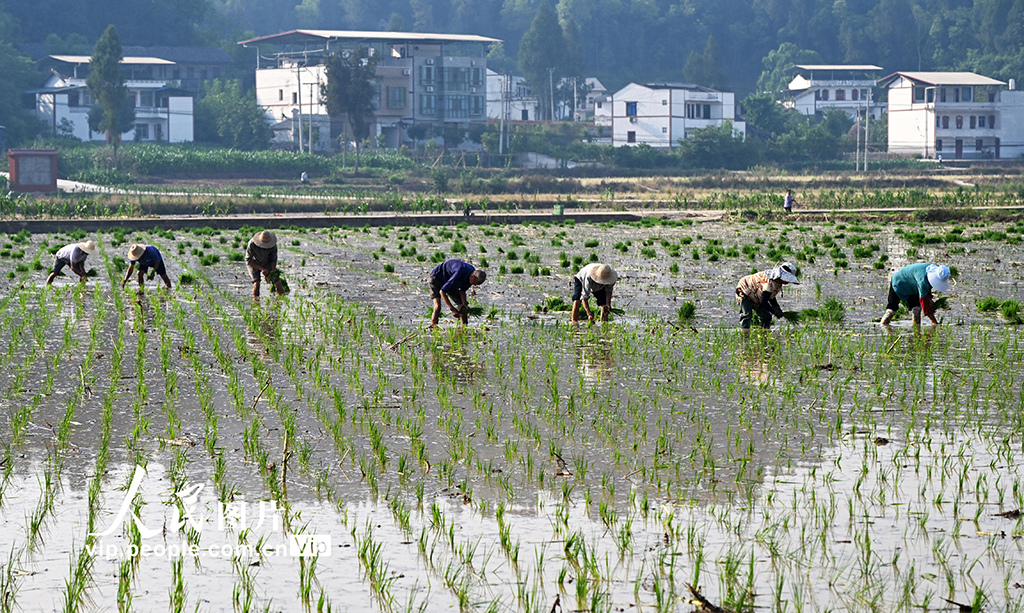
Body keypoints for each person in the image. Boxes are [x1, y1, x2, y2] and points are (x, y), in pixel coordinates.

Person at [880, 263, 950, 326]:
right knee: (892, 309)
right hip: (898, 282)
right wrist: (934, 322)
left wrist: (930, 301)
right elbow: (924, 303)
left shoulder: (932, 270)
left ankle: (916, 329)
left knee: (916, 308)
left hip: (913, 286)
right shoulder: (923, 281)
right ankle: (883, 326)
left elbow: (926, 293)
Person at [736, 262, 799, 329]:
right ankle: (744, 333)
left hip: (756, 295)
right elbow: (764, 302)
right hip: (744, 290)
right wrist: (774, 312)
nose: (788, 282)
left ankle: (764, 332)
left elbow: (771, 297)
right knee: (747, 315)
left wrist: (777, 308)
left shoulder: (778, 282)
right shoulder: (769, 282)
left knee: (766, 316)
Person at [429, 259, 486, 326]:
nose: (475, 285)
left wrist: (464, 304)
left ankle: (464, 326)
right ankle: (433, 327)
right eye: (475, 283)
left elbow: (462, 291)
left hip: (450, 279)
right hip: (437, 277)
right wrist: (452, 309)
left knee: (462, 306)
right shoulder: (459, 272)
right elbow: (442, 292)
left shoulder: (472, 274)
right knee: (437, 306)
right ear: (472, 276)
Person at [246, 230, 284, 298]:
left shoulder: (273, 246)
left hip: (267, 262)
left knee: (277, 282)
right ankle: (256, 303)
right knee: (256, 283)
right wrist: (262, 269)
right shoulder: (252, 244)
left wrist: (271, 272)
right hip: (254, 262)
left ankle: (282, 299)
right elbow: (249, 260)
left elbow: (273, 259)